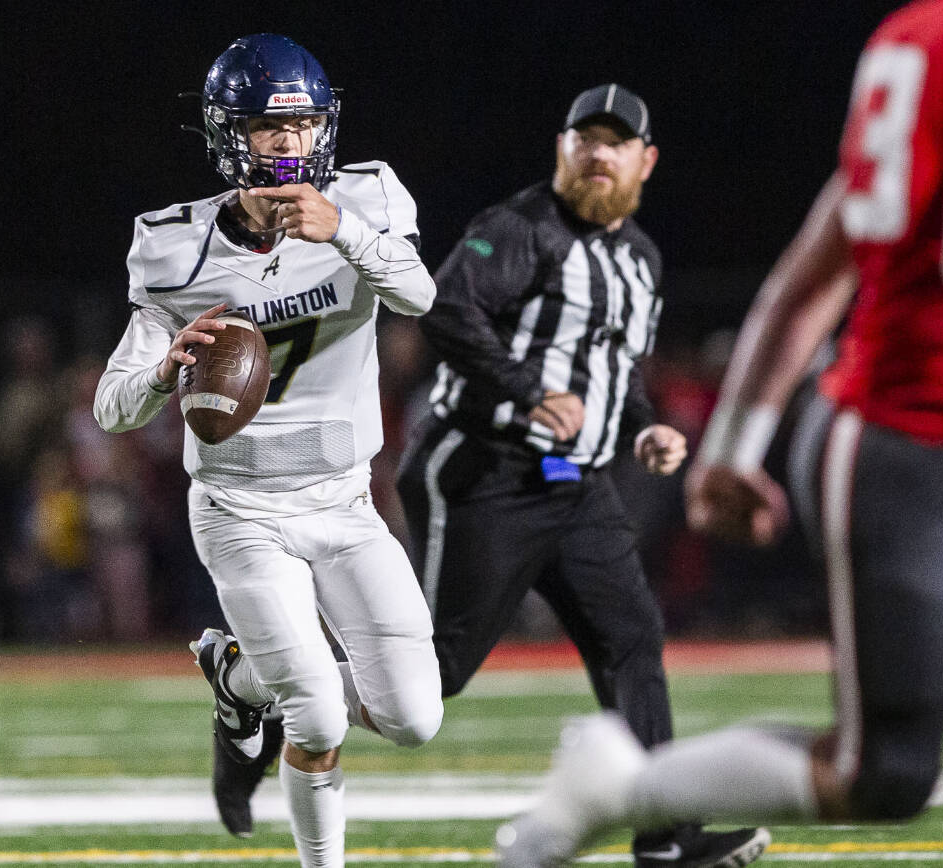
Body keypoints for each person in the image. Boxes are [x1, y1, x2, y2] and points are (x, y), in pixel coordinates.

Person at [495, 2, 943, 867]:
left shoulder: (926, 32)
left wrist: (730, 449)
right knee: (884, 774)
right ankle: (621, 789)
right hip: (907, 444)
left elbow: (810, 275)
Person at [396, 85, 770, 868]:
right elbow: (445, 311)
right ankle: (270, 687)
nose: (599, 154)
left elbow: (614, 370)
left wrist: (644, 428)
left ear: (646, 160)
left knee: (633, 638)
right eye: (585, 138)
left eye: (617, 141)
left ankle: (669, 839)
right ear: (561, 149)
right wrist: (530, 391)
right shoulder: (519, 229)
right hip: (485, 468)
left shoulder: (641, 258)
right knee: (434, 676)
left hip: (575, 482)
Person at [93, 33, 443, 867]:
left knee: (415, 718)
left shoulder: (367, 199)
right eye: (267, 127)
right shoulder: (177, 249)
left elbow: (420, 296)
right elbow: (112, 405)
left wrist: (346, 231)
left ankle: (237, 680)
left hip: (345, 503)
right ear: (228, 135)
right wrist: (164, 371)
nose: (289, 143)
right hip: (241, 512)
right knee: (318, 712)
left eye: (303, 124)